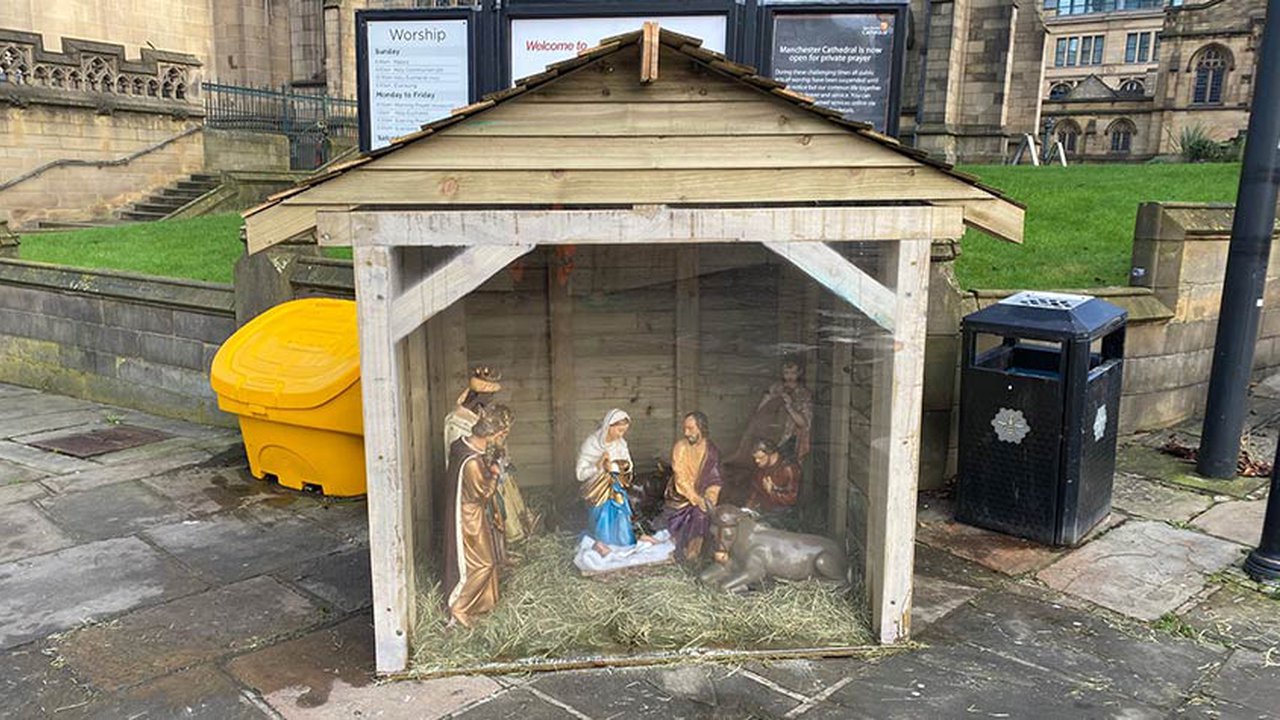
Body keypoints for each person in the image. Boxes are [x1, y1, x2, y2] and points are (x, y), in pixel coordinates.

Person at [442, 367, 533, 544]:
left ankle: (509, 541)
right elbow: (462, 454)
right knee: (492, 513)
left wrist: (500, 456)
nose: (491, 401)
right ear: (477, 396)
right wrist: (489, 462)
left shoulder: (482, 414)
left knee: (506, 499)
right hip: (475, 480)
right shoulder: (455, 422)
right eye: (488, 397)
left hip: (492, 469)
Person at [443, 406, 510, 628]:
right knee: (483, 564)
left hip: (468, 512)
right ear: (494, 435)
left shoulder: (462, 446)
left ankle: (482, 604)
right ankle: (460, 607)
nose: (503, 441)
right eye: (502, 437)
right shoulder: (471, 462)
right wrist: (494, 474)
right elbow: (482, 494)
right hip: (469, 518)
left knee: (485, 561)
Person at [660, 411, 723, 563]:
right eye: (685, 429)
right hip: (680, 495)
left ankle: (694, 552)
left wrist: (709, 497)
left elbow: (715, 478)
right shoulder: (680, 447)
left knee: (702, 514)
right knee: (678, 517)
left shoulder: (711, 451)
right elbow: (680, 478)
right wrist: (695, 498)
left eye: (690, 428)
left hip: (701, 495)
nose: (686, 433)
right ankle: (680, 549)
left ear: (701, 428)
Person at [577, 409, 640, 554]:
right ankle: (603, 546)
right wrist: (599, 467)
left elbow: (629, 466)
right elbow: (580, 474)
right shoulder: (591, 443)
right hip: (596, 489)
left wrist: (616, 467)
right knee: (604, 511)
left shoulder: (621, 444)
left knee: (620, 512)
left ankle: (623, 547)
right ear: (609, 426)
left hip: (615, 486)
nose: (621, 434)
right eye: (619, 430)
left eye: (624, 431)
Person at [744, 439, 800, 513]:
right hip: (763, 511)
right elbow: (755, 491)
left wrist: (771, 491)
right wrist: (748, 508)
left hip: (784, 514)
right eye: (755, 458)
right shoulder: (760, 469)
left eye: (760, 458)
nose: (757, 461)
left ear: (772, 454)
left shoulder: (788, 469)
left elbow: (792, 499)